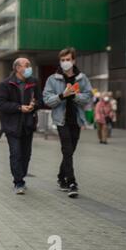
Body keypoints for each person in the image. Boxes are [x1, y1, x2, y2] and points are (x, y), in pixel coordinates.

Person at [43, 47, 93, 198]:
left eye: (68, 60)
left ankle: (60, 177)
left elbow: (88, 96)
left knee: (71, 150)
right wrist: (62, 95)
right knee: (67, 149)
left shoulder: (82, 78)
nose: (65, 62)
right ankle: (72, 182)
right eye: (63, 60)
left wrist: (76, 96)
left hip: (76, 120)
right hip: (61, 120)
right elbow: (47, 100)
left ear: (74, 60)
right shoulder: (53, 79)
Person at [0, 58, 42, 195]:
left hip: (28, 124)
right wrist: (19, 108)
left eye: (29, 65)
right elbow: (1, 104)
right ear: (17, 68)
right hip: (12, 125)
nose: (29, 68)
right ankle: (18, 182)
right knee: (16, 154)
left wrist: (34, 105)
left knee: (26, 155)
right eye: (26, 65)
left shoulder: (34, 82)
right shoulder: (5, 84)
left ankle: (21, 175)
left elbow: (40, 100)